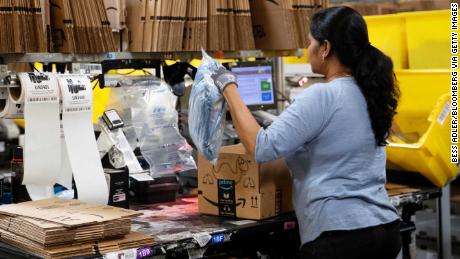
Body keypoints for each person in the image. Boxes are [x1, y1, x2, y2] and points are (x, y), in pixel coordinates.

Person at [207, 6, 402, 259]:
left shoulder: (323, 95)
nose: (307, 50)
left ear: (326, 48)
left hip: (339, 237)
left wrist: (228, 86)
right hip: (384, 230)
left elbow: (261, 147)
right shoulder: (372, 92)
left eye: (310, 42)